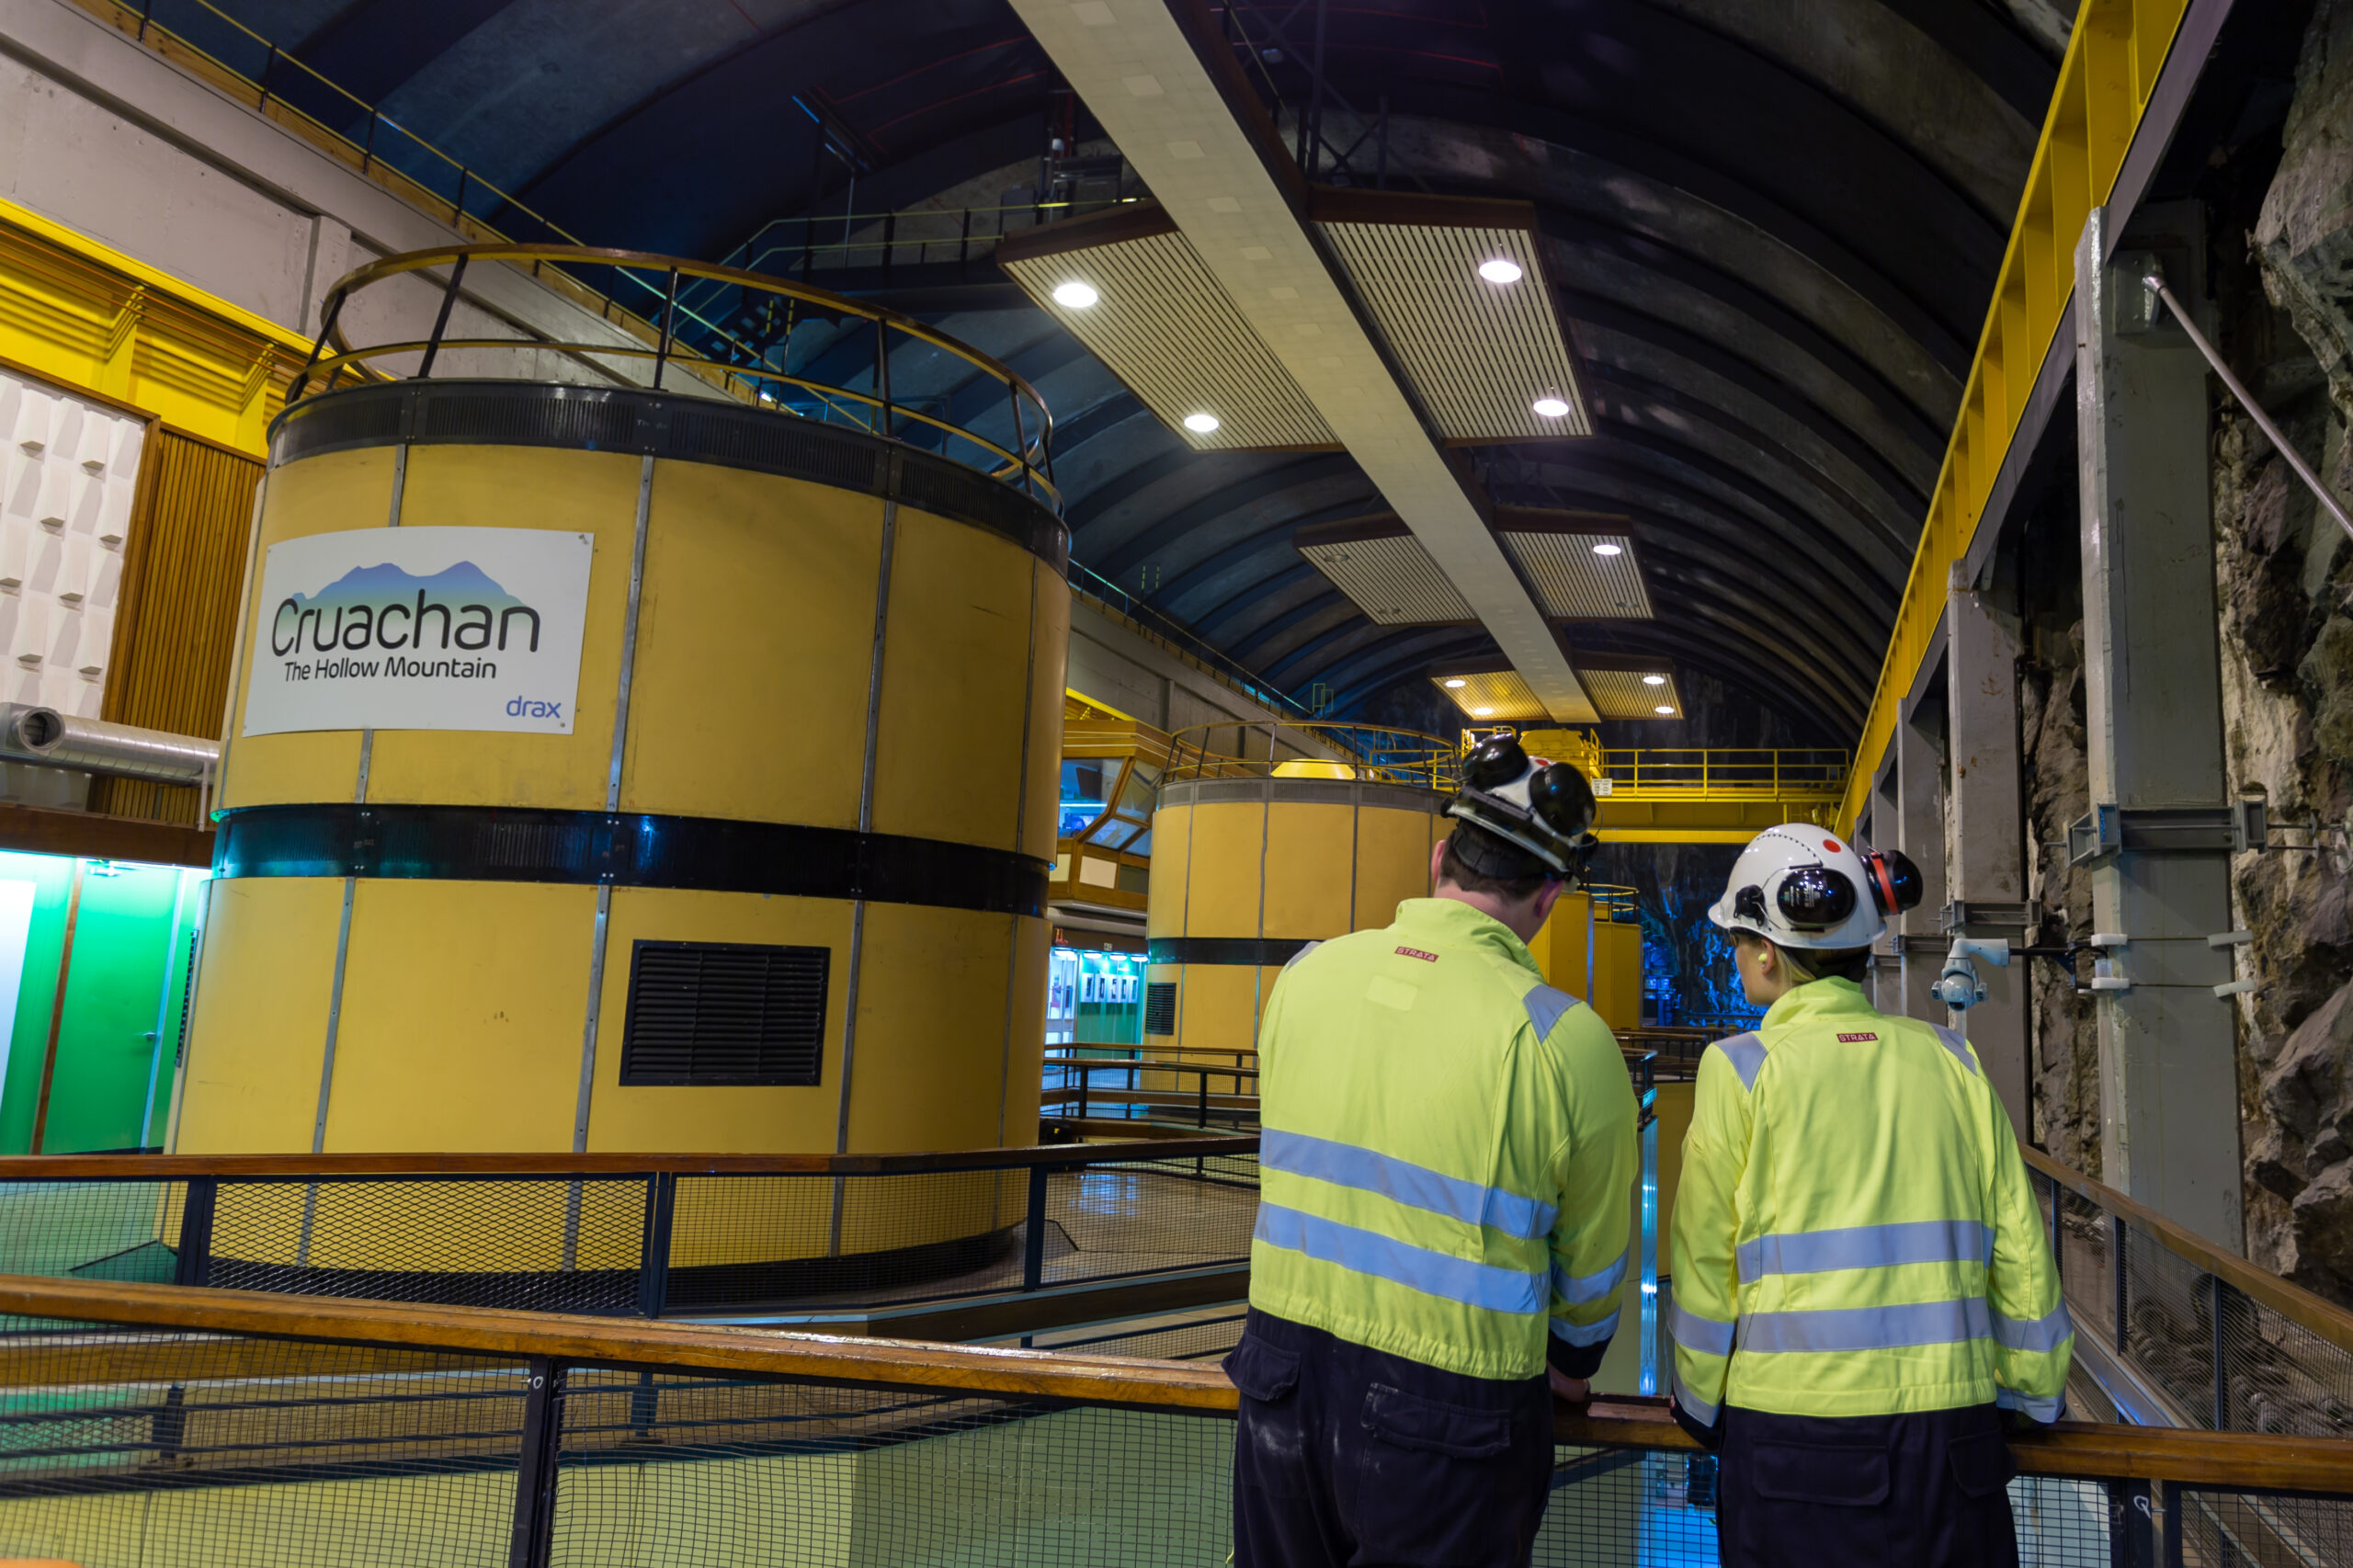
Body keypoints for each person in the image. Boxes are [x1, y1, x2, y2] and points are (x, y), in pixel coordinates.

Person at [1227, 733, 1639, 1568]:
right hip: (1454, 1414)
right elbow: (1591, 1266)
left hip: (1279, 1379)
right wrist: (1569, 1366)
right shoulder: (1567, 1039)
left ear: (1440, 855)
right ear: (1550, 897)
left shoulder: (1303, 977)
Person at [1668, 824, 2073, 1567]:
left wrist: (1698, 1404)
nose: (1735, 955)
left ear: (1763, 950)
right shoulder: (1951, 1059)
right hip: (1954, 1441)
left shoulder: (1742, 1070)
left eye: (1737, 940)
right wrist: (2034, 1391)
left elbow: (1703, 1262)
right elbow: (2018, 1241)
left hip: (1793, 1447)